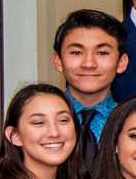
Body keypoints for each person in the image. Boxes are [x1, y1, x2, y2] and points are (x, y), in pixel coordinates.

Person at [53, 10, 129, 150]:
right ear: (58, 60)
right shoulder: (41, 123)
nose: (88, 64)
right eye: (76, 52)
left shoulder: (132, 122)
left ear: (121, 63)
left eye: (102, 53)